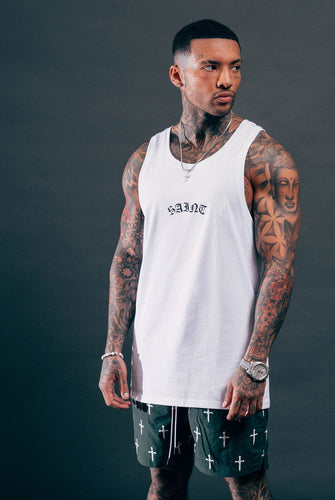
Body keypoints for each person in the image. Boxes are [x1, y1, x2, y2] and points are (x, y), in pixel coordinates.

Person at [99, 19, 301, 500]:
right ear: (178, 75)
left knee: (246, 485)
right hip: (156, 361)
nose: (226, 80)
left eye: (235, 67)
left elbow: (279, 266)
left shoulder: (264, 157)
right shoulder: (144, 160)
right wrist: (112, 350)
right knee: (163, 482)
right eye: (211, 67)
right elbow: (128, 256)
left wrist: (255, 363)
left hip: (227, 364)